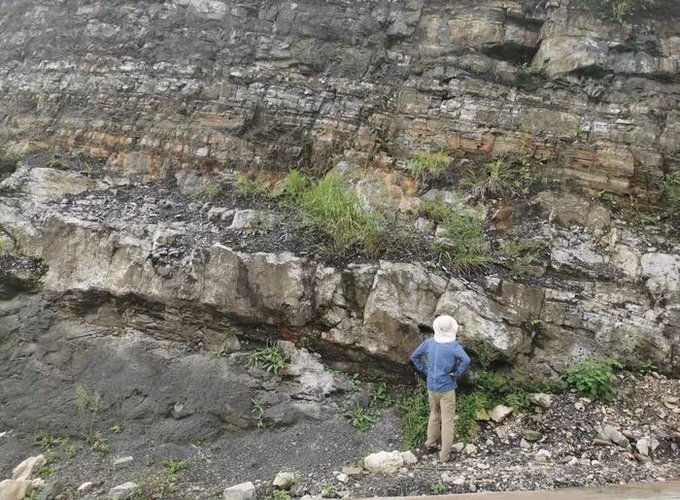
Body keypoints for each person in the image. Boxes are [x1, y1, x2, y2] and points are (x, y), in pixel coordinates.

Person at [410, 314, 470, 463]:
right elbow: (466, 360)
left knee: (434, 414)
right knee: (447, 420)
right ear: (452, 330)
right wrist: (457, 374)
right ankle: (444, 456)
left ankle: (430, 444)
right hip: (447, 387)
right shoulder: (454, 346)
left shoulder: (429, 343)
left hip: (432, 385)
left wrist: (425, 371)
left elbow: (414, 356)